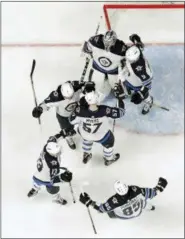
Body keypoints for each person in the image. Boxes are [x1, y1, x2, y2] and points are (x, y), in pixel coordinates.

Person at [69, 84, 125, 166]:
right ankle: (108, 159)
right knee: (110, 141)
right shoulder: (104, 110)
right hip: (100, 136)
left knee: (85, 135)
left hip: (85, 134)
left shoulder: (80, 110)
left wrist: (80, 106)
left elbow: (72, 121)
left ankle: (86, 153)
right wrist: (120, 97)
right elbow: (121, 112)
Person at [82, 30, 143, 102]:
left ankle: (112, 86)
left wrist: (138, 44)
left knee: (120, 93)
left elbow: (133, 54)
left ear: (114, 41)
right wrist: (86, 49)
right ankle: (103, 87)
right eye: (106, 42)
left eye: (109, 43)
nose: (107, 45)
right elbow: (86, 47)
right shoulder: (95, 41)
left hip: (113, 72)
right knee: (93, 89)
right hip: (98, 68)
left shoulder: (121, 48)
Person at [79, 177, 168, 219]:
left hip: (124, 216)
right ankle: (151, 207)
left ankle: (113, 216)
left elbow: (101, 209)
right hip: (139, 210)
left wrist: (88, 202)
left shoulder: (113, 201)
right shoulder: (135, 189)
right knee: (141, 200)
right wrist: (159, 188)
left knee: (111, 211)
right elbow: (151, 193)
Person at [32, 81, 84, 149]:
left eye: (71, 96)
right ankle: (69, 139)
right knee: (66, 130)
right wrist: (40, 109)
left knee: (81, 124)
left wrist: (88, 87)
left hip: (76, 112)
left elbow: (85, 85)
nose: (69, 98)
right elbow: (46, 103)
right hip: (62, 116)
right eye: (66, 97)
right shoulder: (56, 96)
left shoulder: (76, 87)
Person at [27, 130, 73, 205]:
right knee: (53, 189)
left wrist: (62, 134)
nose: (59, 152)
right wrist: (63, 178)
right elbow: (53, 179)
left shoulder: (46, 147)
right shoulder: (53, 164)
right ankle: (56, 198)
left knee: (37, 183)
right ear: (53, 153)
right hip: (46, 179)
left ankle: (34, 189)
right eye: (58, 152)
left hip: (36, 175)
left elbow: (53, 138)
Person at [119, 44, 153, 114]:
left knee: (144, 94)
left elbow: (147, 85)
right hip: (130, 77)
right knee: (125, 82)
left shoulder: (141, 70)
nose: (128, 60)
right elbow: (138, 46)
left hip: (138, 83)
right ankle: (127, 91)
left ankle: (149, 101)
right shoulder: (135, 55)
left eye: (130, 60)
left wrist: (140, 95)